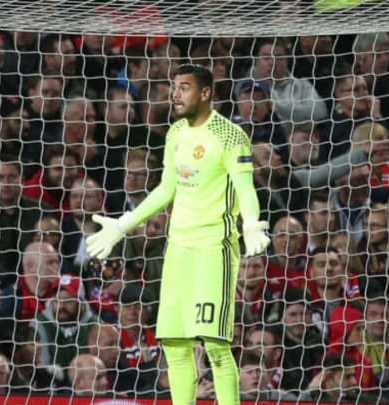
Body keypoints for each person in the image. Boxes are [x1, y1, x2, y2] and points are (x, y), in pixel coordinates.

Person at [87, 64, 270, 405]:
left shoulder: (230, 135)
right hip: (178, 250)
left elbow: (246, 187)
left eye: (184, 87)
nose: (175, 94)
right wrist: (123, 224)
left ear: (205, 93)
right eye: (174, 87)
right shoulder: (174, 134)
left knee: (215, 345)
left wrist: (250, 223)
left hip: (214, 249)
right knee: (174, 343)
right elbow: (165, 188)